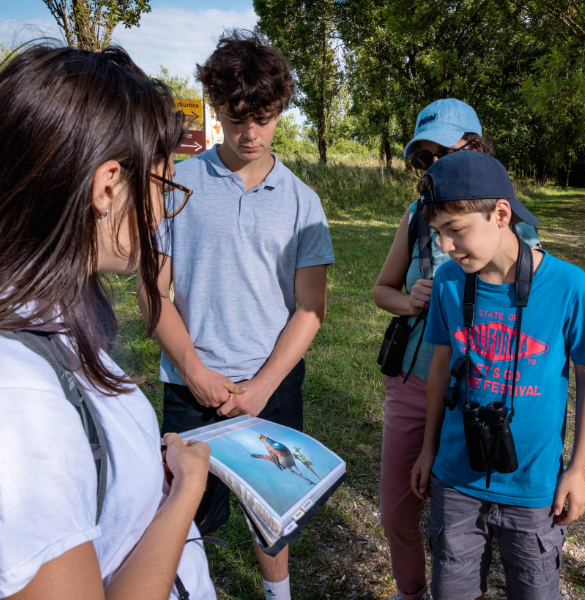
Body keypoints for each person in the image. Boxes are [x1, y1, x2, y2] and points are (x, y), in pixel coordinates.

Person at [0, 44, 215, 599]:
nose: (164, 211)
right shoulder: (19, 399)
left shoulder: (52, 317)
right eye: (162, 187)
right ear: (108, 186)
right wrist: (187, 491)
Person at [138, 31, 334, 600]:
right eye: (235, 116)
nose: (250, 133)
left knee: (269, 506)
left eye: (265, 117)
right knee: (184, 509)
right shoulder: (177, 184)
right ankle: (182, 588)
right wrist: (195, 372)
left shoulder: (303, 202)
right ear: (216, 107)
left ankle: (280, 594)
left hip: (271, 387)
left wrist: (261, 386)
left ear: (280, 111)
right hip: (189, 383)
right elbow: (155, 292)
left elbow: (310, 308)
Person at [410, 151, 585, 600]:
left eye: (456, 231)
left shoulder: (569, 286)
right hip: (456, 479)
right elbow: (441, 367)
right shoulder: (447, 284)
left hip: (534, 487)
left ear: (501, 214)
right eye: (438, 233)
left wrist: (578, 470)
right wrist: (428, 449)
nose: (445, 247)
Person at [372, 98, 540, 600]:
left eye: (441, 151)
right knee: (396, 510)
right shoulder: (417, 215)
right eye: (422, 159)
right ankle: (412, 592)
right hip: (414, 380)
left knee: (472, 519)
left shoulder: (514, 222)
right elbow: (381, 290)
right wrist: (409, 300)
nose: (433, 165)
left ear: (476, 146)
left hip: (479, 391)